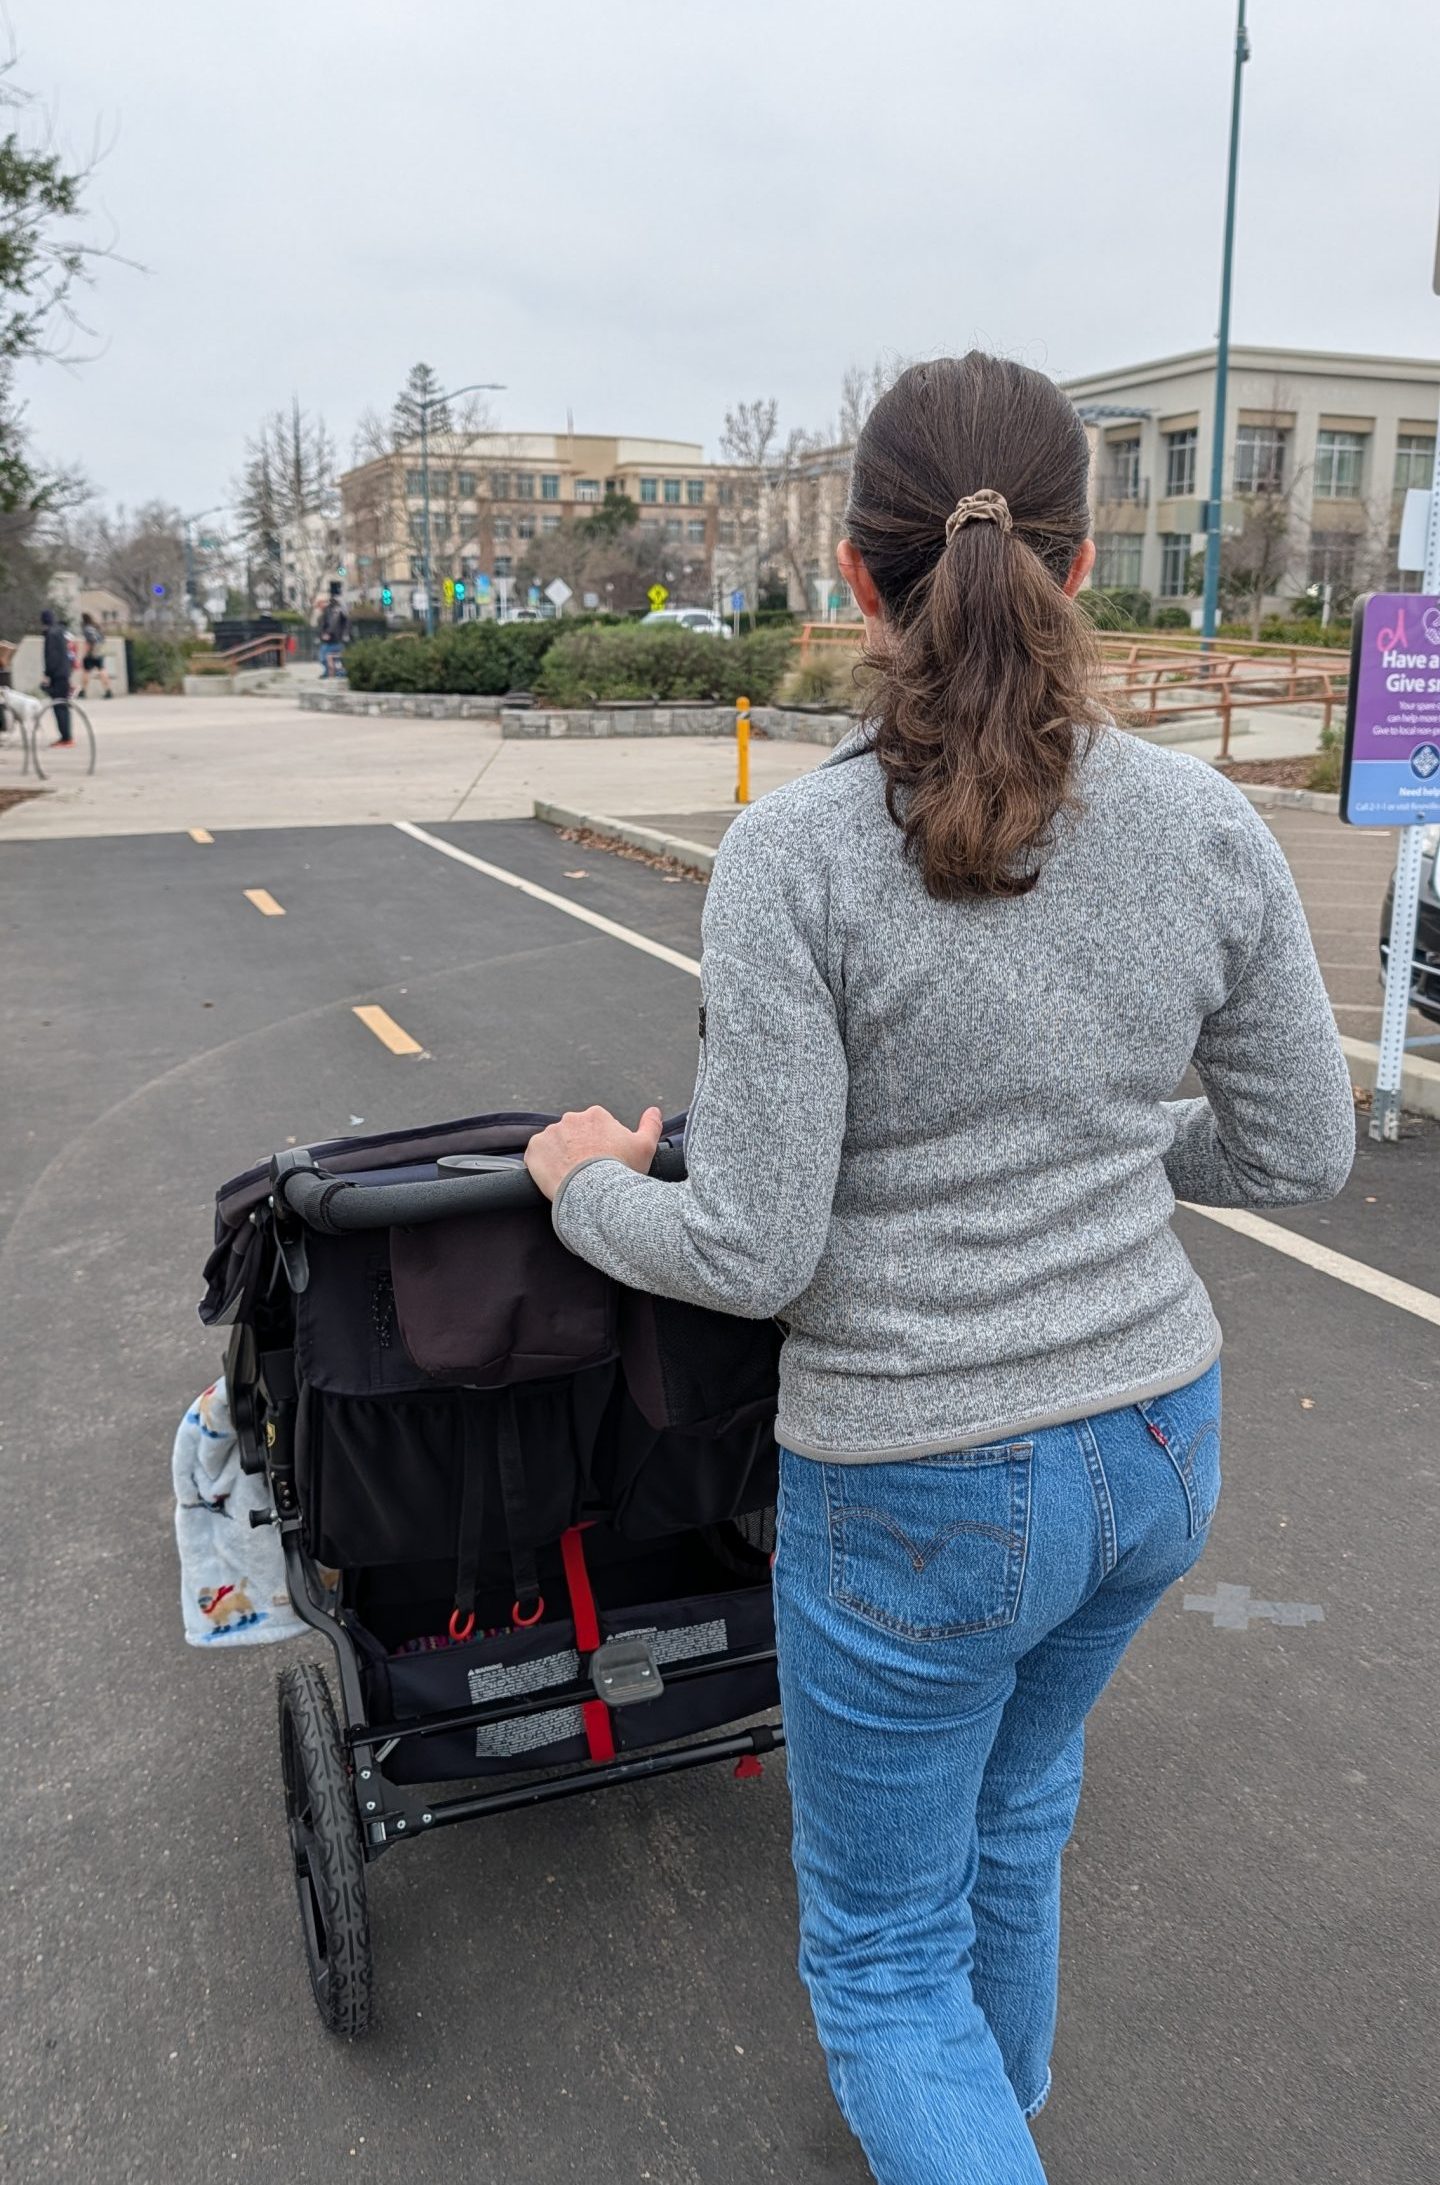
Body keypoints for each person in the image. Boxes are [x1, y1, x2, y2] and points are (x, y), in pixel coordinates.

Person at [520, 353, 1356, 2185]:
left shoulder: (798, 854)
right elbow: (1304, 1148)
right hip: (1154, 1446)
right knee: (1018, 1822)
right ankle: (993, 2127)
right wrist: (1111, 1150)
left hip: (915, 1483)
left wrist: (585, 1183)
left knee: (885, 1963)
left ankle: (963, 2131)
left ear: (849, 576)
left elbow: (751, 1243)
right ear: (1072, 566)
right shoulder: (1208, 821)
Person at [39, 608, 73, 746]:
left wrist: (47, 674)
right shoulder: (61, 632)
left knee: (59, 706)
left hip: (57, 675)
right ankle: (67, 736)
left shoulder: (51, 634)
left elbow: (51, 657)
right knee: (63, 705)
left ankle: (66, 738)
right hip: (64, 673)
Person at [316, 582, 349, 678]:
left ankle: (337, 672)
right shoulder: (333, 607)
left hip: (335, 637)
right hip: (335, 637)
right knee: (328, 656)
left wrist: (327, 633)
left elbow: (334, 621)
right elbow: (327, 622)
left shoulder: (337, 607)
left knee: (327, 656)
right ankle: (334, 672)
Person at [80, 613, 113, 700]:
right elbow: (102, 639)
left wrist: (86, 652)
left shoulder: (86, 629)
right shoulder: (96, 627)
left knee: (86, 671)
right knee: (102, 669)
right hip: (99, 651)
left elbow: (89, 642)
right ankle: (108, 690)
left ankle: (83, 691)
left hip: (91, 651)